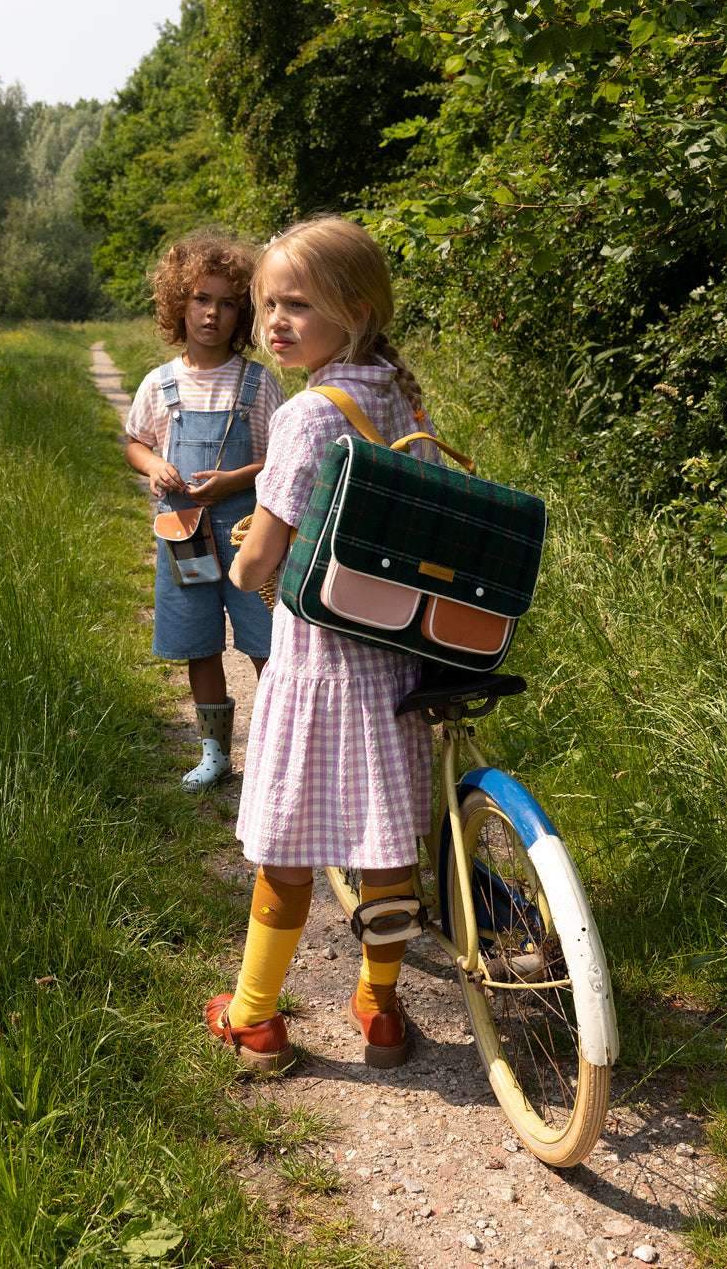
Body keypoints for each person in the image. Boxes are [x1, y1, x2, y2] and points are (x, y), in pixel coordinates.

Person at [204, 215, 438, 1072]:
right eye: (267, 304)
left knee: (286, 846)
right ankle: (380, 1008)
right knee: (385, 845)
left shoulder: (307, 414)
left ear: (358, 306)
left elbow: (263, 553)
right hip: (397, 651)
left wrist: (244, 569)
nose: (274, 322)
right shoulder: (393, 392)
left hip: (324, 664)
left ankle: (256, 1015)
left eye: (297, 304)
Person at [125, 233, 286, 792]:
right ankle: (217, 754)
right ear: (179, 304)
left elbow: (281, 458)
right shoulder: (160, 383)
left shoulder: (258, 382)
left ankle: (276, 749)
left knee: (266, 641)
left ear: (241, 312)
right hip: (184, 534)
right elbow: (135, 441)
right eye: (200, 299)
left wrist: (235, 480)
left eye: (226, 303)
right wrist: (152, 466)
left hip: (248, 534)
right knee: (198, 642)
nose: (212, 313)